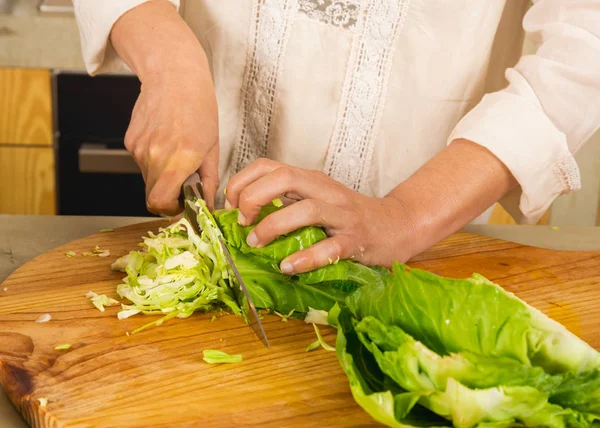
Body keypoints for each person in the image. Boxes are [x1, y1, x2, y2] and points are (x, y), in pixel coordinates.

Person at [73, 0, 599, 275]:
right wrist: (169, 59)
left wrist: (408, 214)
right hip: (211, 212)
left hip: (425, 240)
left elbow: (586, 41)